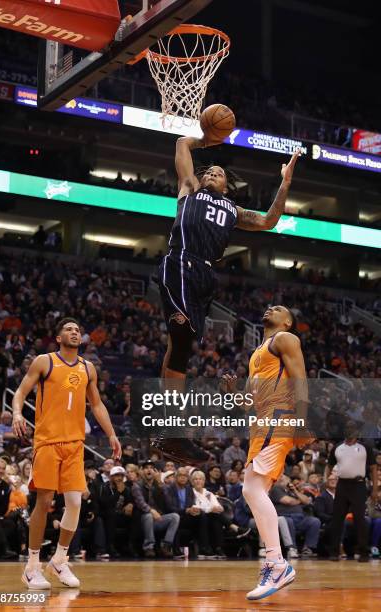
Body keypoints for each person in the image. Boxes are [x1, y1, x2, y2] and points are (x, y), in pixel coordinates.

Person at [153, 131, 301, 464]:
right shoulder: (189, 189)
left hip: (206, 275)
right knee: (181, 331)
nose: (212, 174)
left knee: (182, 346)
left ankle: (170, 433)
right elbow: (181, 145)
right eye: (209, 171)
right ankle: (170, 429)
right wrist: (206, 137)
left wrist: (285, 184)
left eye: (219, 173)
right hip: (181, 260)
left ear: (226, 186)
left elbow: (267, 220)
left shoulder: (232, 209)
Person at [12, 317, 122, 589]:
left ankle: (60, 560)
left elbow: (96, 405)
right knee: (45, 501)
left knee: (75, 503)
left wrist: (111, 434)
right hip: (48, 442)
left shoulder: (88, 368)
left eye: (78, 330)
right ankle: (32, 566)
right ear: (58, 337)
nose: (75, 333)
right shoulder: (44, 361)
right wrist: (16, 413)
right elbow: (20, 392)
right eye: (69, 330)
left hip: (75, 444)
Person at [224, 304, 313, 600]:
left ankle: (276, 563)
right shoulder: (257, 353)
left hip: (279, 416)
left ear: (288, 321)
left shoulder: (285, 340)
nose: (270, 308)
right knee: (252, 489)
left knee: (251, 489)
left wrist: (301, 419)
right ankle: (275, 562)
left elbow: (300, 378)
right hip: (262, 420)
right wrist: (232, 393)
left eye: (278, 308)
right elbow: (247, 403)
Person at [327, 422, 377, 562]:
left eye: (352, 428)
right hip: (342, 485)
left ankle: (363, 553)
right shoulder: (337, 447)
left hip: (359, 485)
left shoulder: (365, 447)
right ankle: (334, 552)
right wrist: (326, 479)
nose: (349, 430)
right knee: (337, 519)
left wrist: (373, 489)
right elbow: (329, 465)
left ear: (357, 431)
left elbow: (373, 468)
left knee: (360, 520)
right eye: (347, 428)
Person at [131, 460, 180, 558]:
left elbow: (169, 502)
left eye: (151, 468)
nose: (149, 470)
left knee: (175, 516)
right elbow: (141, 503)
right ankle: (149, 547)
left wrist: (160, 483)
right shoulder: (137, 485)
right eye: (146, 468)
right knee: (149, 515)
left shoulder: (159, 485)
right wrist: (152, 511)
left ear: (155, 471)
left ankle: (166, 545)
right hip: (142, 519)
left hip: (157, 519)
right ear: (141, 471)